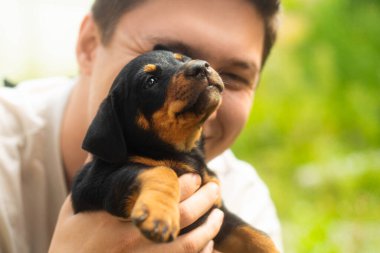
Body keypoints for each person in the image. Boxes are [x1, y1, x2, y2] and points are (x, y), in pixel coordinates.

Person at [0, 0, 282, 252]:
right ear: (90, 45)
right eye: (152, 75)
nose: (202, 68)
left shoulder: (244, 195)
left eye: (234, 74)